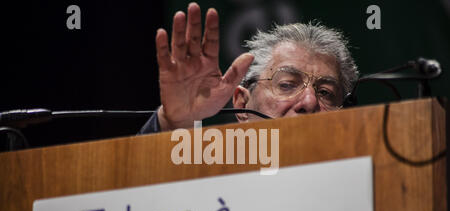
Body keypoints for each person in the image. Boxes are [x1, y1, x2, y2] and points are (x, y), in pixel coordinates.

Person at [139, 2, 358, 134]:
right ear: (242, 105)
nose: (310, 102)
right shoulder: (215, 175)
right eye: (287, 85)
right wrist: (174, 123)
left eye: (325, 93)